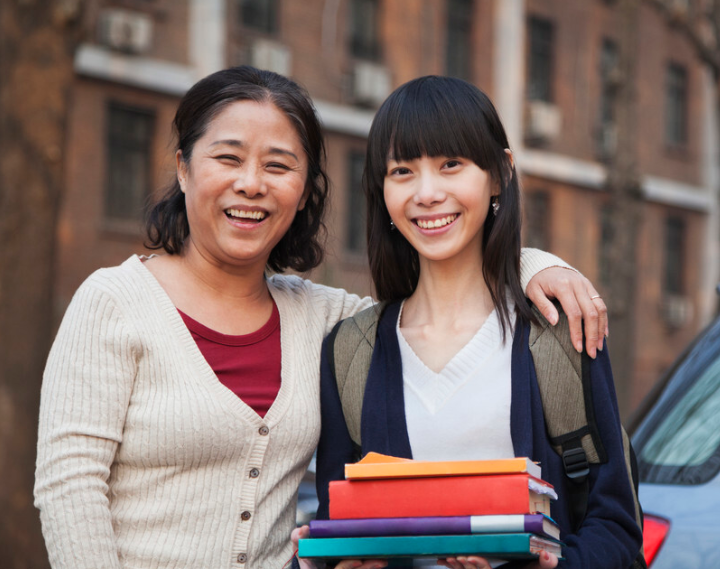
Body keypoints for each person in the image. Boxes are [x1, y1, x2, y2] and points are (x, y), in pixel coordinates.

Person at [33, 66, 609, 569]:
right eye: (228, 157)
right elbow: (69, 489)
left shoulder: (326, 319)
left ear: (306, 190)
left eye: (279, 165)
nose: (251, 183)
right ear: (184, 168)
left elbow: (443, 299)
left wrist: (532, 264)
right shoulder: (114, 302)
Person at [308, 76, 642, 569]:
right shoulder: (350, 352)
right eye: (402, 170)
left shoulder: (558, 331)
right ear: (381, 191)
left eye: (451, 165)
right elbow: (342, 523)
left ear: (499, 174)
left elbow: (615, 528)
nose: (427, 193)